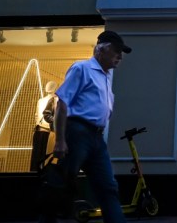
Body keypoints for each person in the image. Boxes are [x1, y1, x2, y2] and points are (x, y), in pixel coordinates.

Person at [39, 30, 132, 223]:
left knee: (108, 186)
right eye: (116, 51)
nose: (120, 57)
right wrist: (60, 140)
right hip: (78, 133)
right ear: (101, 50)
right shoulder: (82, 69)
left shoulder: (106, 76)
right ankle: (47, 219)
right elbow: (62, 102)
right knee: (63, 182)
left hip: (96, 138)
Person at [31, 81, 58, 172]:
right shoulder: (55, 100)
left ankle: (34, 174)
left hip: (39, 130)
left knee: (36, 156)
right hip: (48, 132)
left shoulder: (41, 100)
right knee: (46, 156)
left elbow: (36, 115)